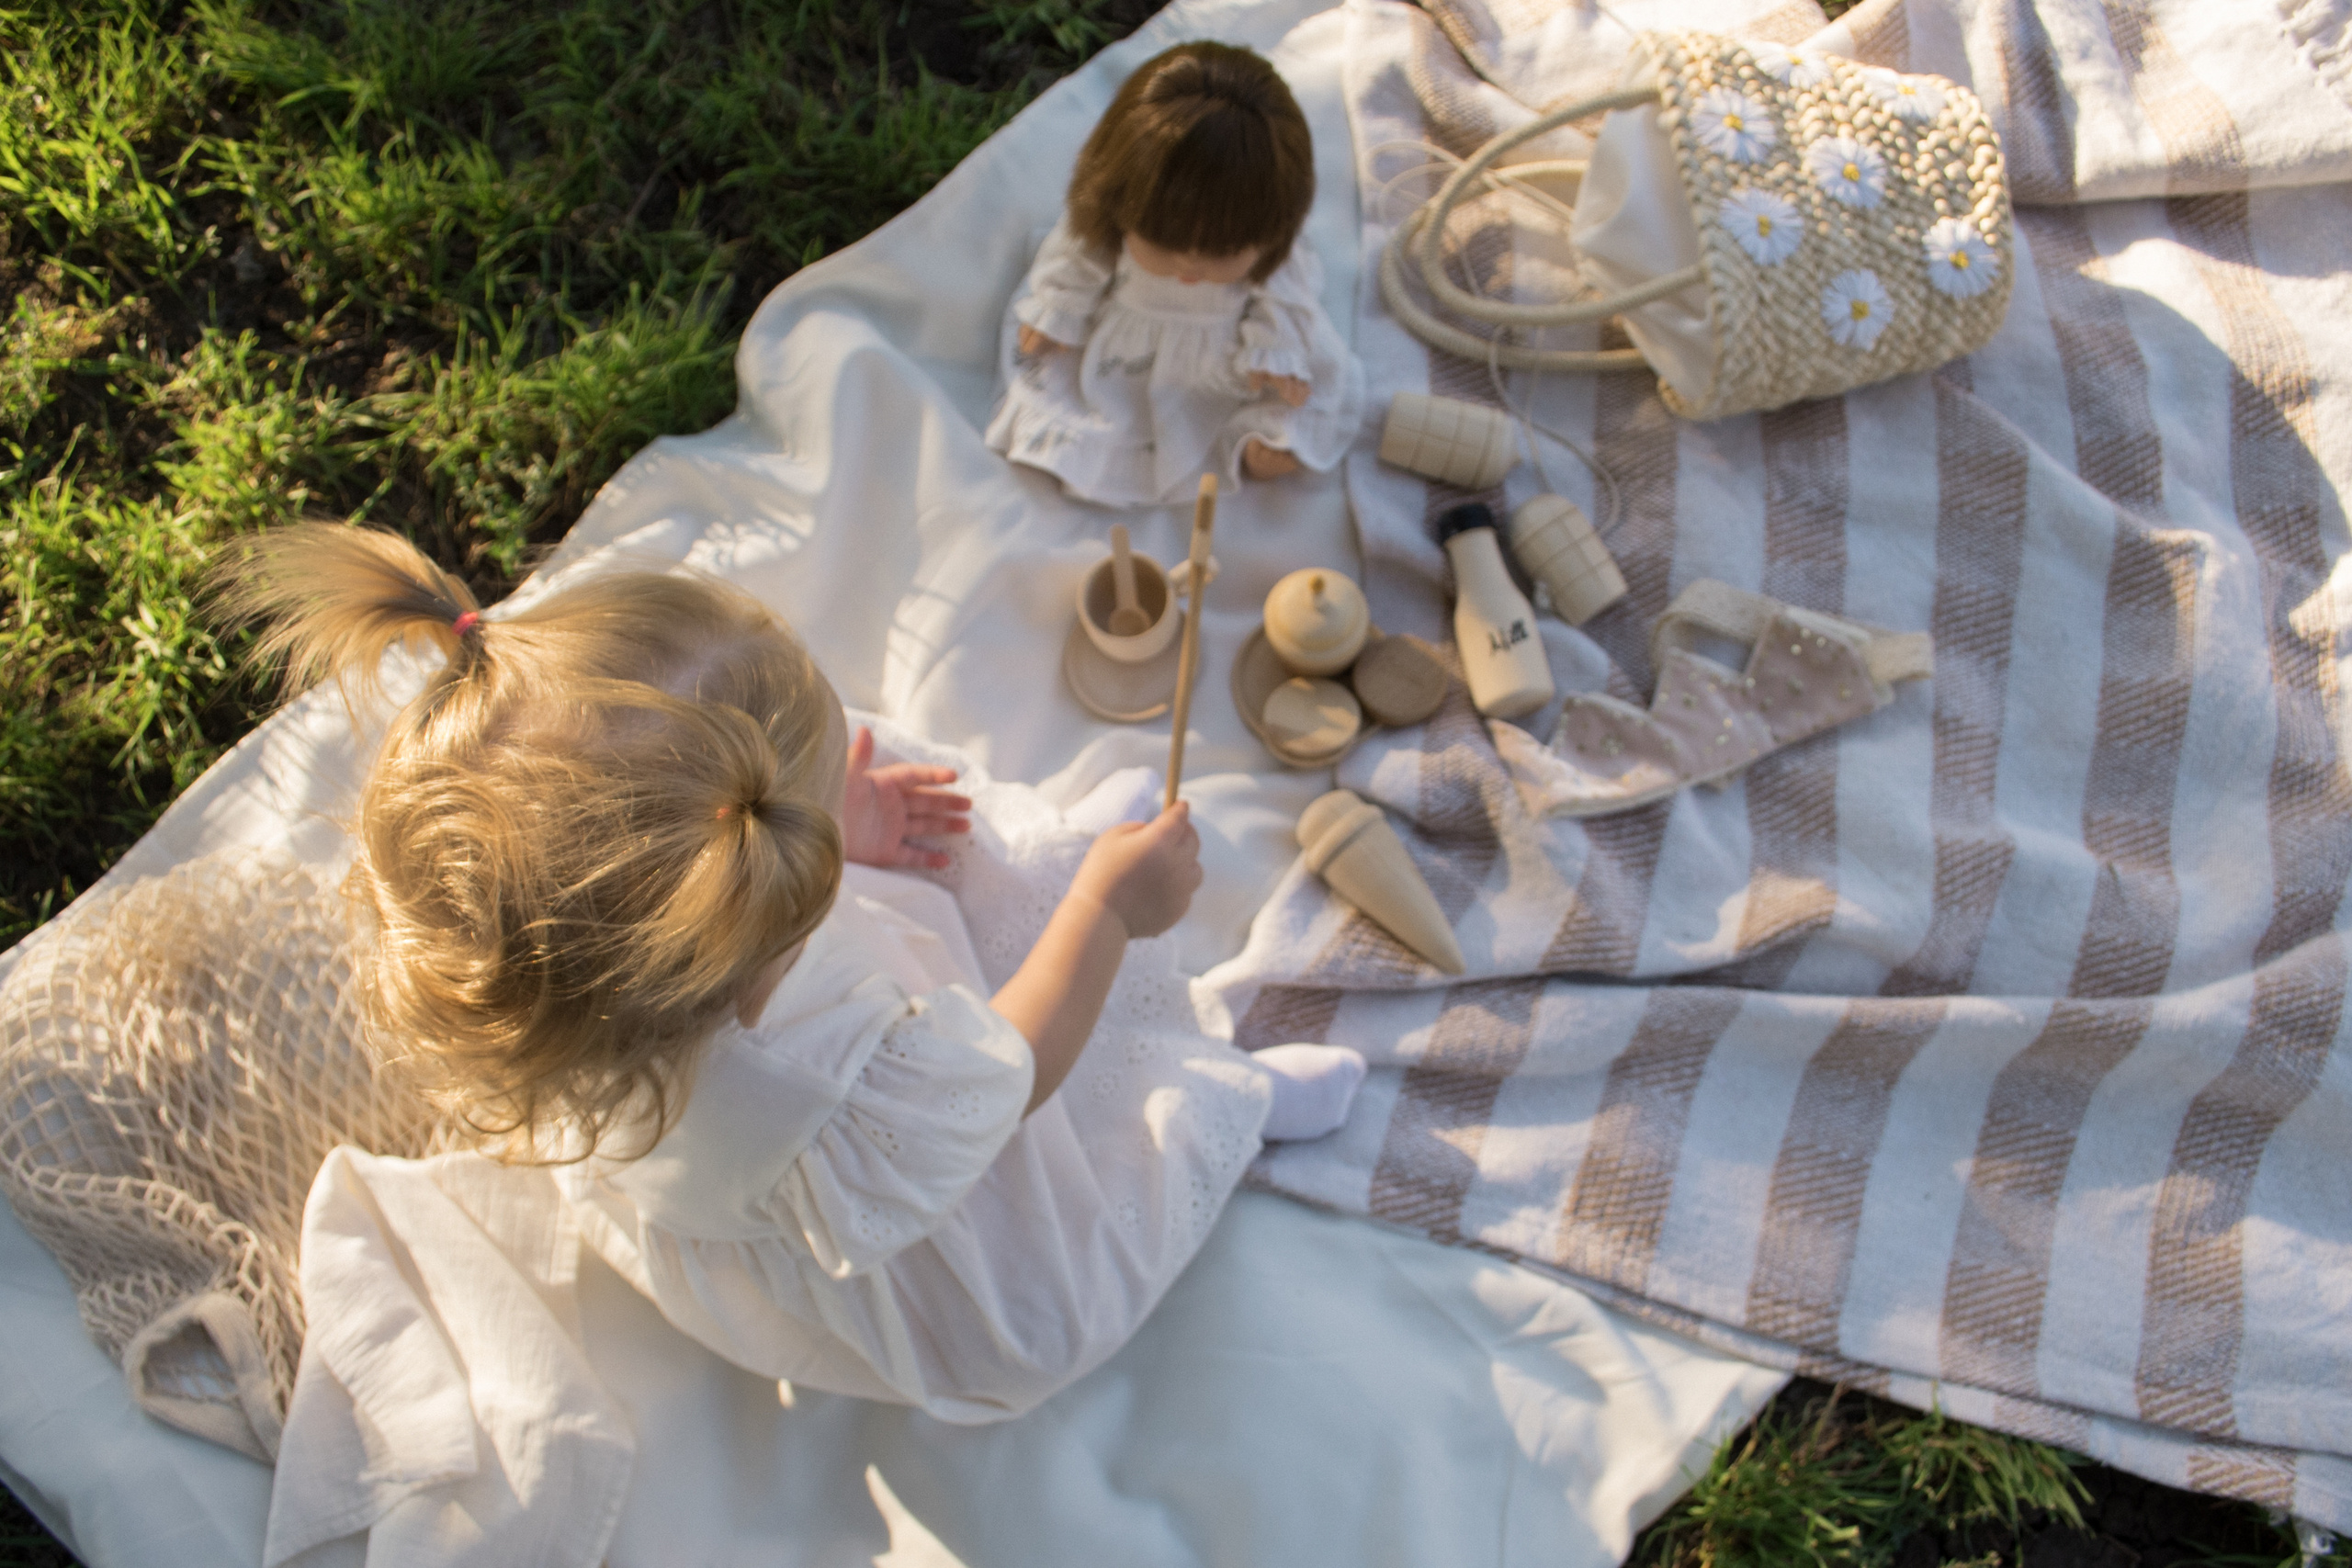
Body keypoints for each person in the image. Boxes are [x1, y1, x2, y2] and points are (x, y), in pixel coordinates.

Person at [211, 524, 1366, 1420]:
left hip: (750, 1147)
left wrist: (846, 823)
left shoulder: (570, 982)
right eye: (798, 819)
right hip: (969, 1244)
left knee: (947, 865)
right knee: (1087, 1026)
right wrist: (1108, 914)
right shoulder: (827, 1079)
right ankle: (1238, 1097)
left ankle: (1062, 871)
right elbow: (1012, 1075)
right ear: (739, 888)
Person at [986, 40, 1365, 508]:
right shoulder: (1111, 221)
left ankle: (1254, 442)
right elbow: (1081, 251)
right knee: (1084, 398)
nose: (1190, 265)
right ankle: (1074, 449)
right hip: (1126, 342)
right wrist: (1061, 307)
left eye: (1222, 253)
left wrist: (1276, 349)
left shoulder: (1270, 250)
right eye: (1165, 245)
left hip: (1222, 358)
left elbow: (1285, 295)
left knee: (1289, 395)